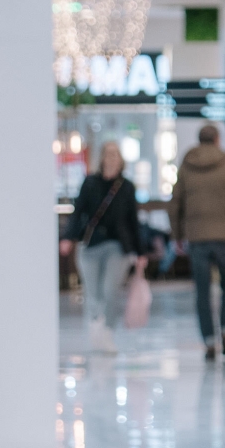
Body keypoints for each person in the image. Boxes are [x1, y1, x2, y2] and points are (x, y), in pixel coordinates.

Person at [169, 120, 225, 359]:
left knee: (202, 290)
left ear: (199, 141)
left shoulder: (186, 168)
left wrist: (177, 235)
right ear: (218, 139)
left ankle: (208, 339)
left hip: (197, 238)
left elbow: (175, 204)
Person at [60, 140, 143, 353]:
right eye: (109, 154)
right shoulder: (90, 183)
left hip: (117, 246)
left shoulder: (126, 187)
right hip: (91, 244)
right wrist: (68, 237)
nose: (112, 159)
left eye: (116, 155)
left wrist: (140, 251)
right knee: (92, 292)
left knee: (110, 291)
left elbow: (133, 221)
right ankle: (94, 329)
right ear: (102, 158)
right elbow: (78, 212)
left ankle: (107, 332)